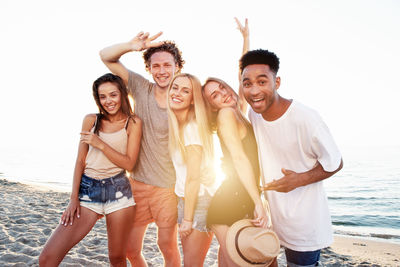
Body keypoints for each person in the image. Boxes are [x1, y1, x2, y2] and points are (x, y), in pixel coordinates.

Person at [240, 49, 343, 267]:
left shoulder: (306, 118)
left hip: (304, 225)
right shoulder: (254, 114)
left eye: (262, 81)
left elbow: (336, 161)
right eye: (247, 84)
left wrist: (298, 179)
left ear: (277, 81)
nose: (254, 90)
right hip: (274, 221)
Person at [39, 73, 142, 266]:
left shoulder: (133, 122)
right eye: (102, 97)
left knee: (117, 258)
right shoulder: (91, 120)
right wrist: (73, 199)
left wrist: (100, 144)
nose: (108, 101)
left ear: (122, 94)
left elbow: (129, 164)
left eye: (113, 94)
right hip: (88, 192)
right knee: (47, 258)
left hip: (118, 192)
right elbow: (80, 161)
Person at [100, 32, 183, 266]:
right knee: (130, 249)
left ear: (177, 66)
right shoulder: (140, 87)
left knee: (167, 246)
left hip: (168, 188)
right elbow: (106, 57)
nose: (162, 70)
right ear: (149, 68)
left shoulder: (184, 96)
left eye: (167, 65)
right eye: (156, 66)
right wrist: (131, 46)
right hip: (136, 185)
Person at [201, 18, 271, 267]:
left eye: (221, 87)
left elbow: (242, 73)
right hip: (231, 201)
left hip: (241, 195)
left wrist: (246, 39)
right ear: (213, 106)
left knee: (244, 260)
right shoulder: (227, 115)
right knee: (241, 262)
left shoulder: (238, 109)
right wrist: (258, 200)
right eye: (215, 96)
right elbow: (239, 159)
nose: (223, 93)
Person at [167, 73, 216, 266]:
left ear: (193, 100)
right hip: (185, 201)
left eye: (185, 90)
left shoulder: (192, 128)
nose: (177, 93)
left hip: (198, 204)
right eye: (175, 87)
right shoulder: (179, 125)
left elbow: (194, 177)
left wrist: (187, 219)